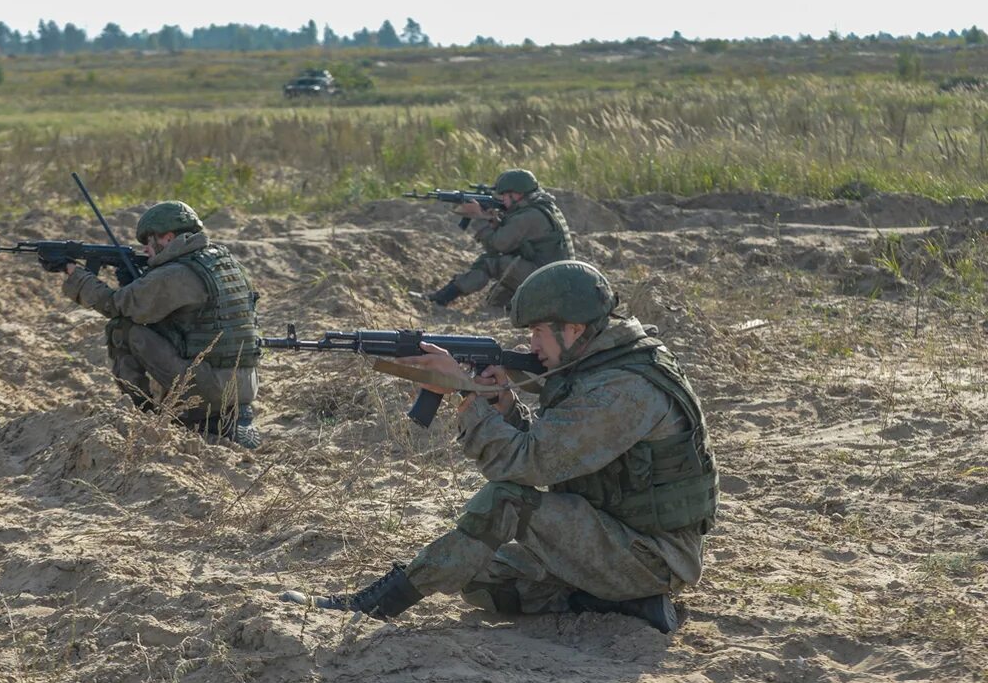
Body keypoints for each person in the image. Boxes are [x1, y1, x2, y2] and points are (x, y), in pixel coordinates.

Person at [283, 261, 717, 632]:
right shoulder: (603, 366)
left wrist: (465, 396)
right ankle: (629, 606)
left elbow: (523, 468)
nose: (531, 346)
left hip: (651, 558)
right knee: (477, 577)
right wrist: (504, 404)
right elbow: (557, 449)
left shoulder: (622, 387)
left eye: (538, 333)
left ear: (574, 329)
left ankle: (377, 606)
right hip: (617, 536)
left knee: (505, 501)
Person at [47, 200, 261, 448]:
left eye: (149, 242)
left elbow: (116, 306)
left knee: (123, 329)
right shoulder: (225, 263)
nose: (146, 250)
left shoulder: (174, 274)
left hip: (211, 388)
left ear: (168, 238)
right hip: (245, 387)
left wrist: (77, 276)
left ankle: (145, 417)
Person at [428, 169, 575, 307]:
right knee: (497, 300)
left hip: (549, 283)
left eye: (505, 195)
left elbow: (498, 245)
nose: (502, 199)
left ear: (517, 194)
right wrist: (493, 221)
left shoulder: (529, 216)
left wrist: (479, 218)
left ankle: (443, 297)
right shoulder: (542, 206)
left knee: (490, 262)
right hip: (555, 281)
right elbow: (518, 240)